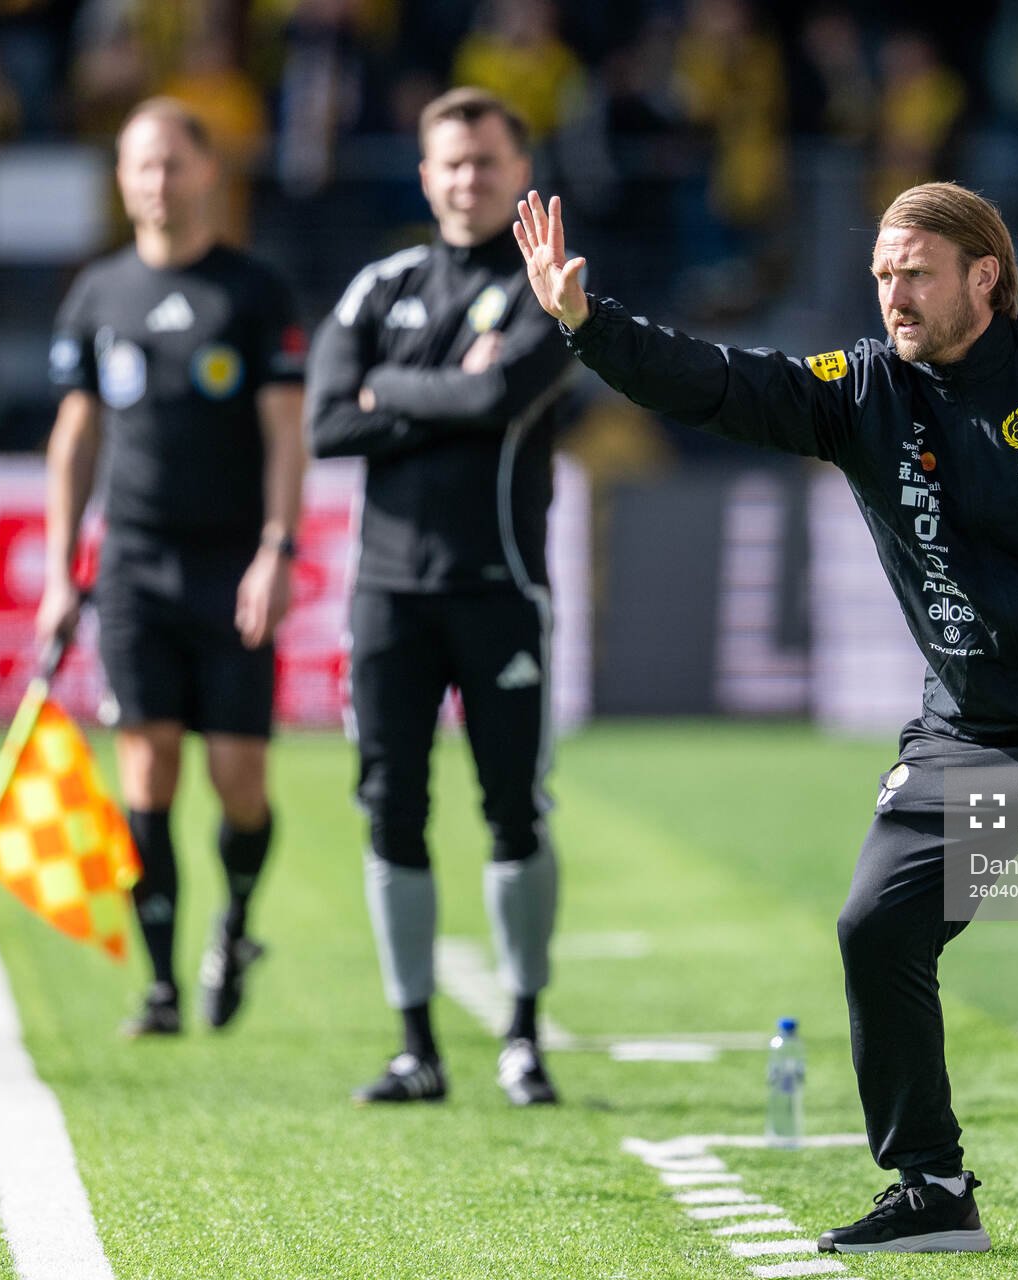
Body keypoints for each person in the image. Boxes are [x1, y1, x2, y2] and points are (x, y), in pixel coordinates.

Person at [513, 182, 1018, 1256]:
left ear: (983, 277)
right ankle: (933, 1185)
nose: (894, 294)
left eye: (916, 273)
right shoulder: (860, 389)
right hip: (970, 727)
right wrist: (587, 322)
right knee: (876, 922)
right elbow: (718, 385)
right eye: (883, 275)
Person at [306, 88, 574, 1108]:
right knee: (391, 807)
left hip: (501, 588)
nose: (469, 179)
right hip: (387, 598)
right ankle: (415, 1042)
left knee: (515, 810)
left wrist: (391, 390)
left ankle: (522, 1033)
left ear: (520, 173)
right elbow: (328, 423)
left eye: (488, 162)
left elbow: (501, 394)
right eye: (452, 164)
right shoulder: (379, 284)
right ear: (426, 177)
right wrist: (435, 392)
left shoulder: (549, 287)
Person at [37, 98, 308, 1038]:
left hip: (235, 564)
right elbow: (75, 436)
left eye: (171, 164)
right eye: (139, 167)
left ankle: (233, 924)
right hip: (135, 566)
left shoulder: (254, 291)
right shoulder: (96, 295)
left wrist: (278, 549)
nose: (156, 182)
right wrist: (59, 569)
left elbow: (286, 433)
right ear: (123, 181)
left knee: (239, 783)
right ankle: (158, 984)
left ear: (207, 173)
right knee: (146, 773)